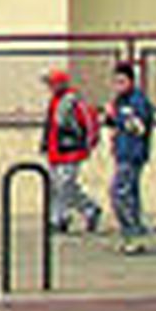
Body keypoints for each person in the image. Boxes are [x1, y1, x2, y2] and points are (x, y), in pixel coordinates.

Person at [39, 67, 102, 235]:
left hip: (70, 150)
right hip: (55, 150)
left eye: (51, 82)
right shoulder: (55, 100)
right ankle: (81, 211)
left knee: (64, 185)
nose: (49, 86)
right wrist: (45, 144)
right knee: (57, 186)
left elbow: (88, 122)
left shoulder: (72, 101)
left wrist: (88, 144)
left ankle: (65, 216)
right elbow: (51, 126)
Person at [106, 60, 156, 255]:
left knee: (119, 193)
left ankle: (131, 232)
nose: (118, 86)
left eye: (122, 82)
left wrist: (117, 116)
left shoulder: (138, 101)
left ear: (131, 81)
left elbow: (138, 128)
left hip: (132, 153)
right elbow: (115, 124)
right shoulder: (120, 101)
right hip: (122, 152)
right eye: (115, 82)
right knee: (130, 195)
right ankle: (133, 234)